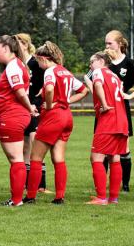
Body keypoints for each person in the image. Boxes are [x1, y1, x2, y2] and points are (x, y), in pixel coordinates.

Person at [26, 41, 88, 205]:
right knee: (58, 158)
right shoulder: (65, 72)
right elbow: (84, 90)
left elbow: (50, 89)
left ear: (44, 59)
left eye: (38, 61)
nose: (38, 65)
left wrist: (47, 104)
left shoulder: (49, 71)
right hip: (67, 116)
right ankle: (59, 197)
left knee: (36, 157)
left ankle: (31, 196)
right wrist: (66, 101)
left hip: (53, 117)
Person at [0, 34, 35, 207]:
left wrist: (30, 107)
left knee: (16, 158)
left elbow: (19, 91)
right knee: (17, 158)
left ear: (6, 48)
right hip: (14, 115)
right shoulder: (16, 64)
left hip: (12, 116)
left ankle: (16, 199)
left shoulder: (12, 67)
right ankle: (17, 197)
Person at [104, 30, 134, 191]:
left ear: (120, 44)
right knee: (105, 146)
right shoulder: (104, 60)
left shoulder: (130, 63)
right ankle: (105, 182)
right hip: (105, 109)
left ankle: (125, 184)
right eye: (106, 43)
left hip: (121, 108)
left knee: (123, 146)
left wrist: (129, 96)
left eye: (110, 43)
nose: (107, 46)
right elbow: (88, 77)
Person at [86, 50, 129, 205]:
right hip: (121, 120)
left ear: (101, 61)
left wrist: (104, 105)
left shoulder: (99, 72)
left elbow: (98, 85)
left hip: (109, 119)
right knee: (114, 157)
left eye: (92, 61)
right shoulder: (115, 76)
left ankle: (101, 197)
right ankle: (113, 198)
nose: (90, 65)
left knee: (96, 157)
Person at [19, 33, 49, 200]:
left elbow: (49, 74)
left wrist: (43, 91)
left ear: (25, 44)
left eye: (18, 43)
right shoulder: (17, 64)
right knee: (24, 147)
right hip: (23, 107)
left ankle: (41, 185)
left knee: (35, 143)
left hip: (35, 106)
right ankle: (26, 183)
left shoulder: (35, 62)